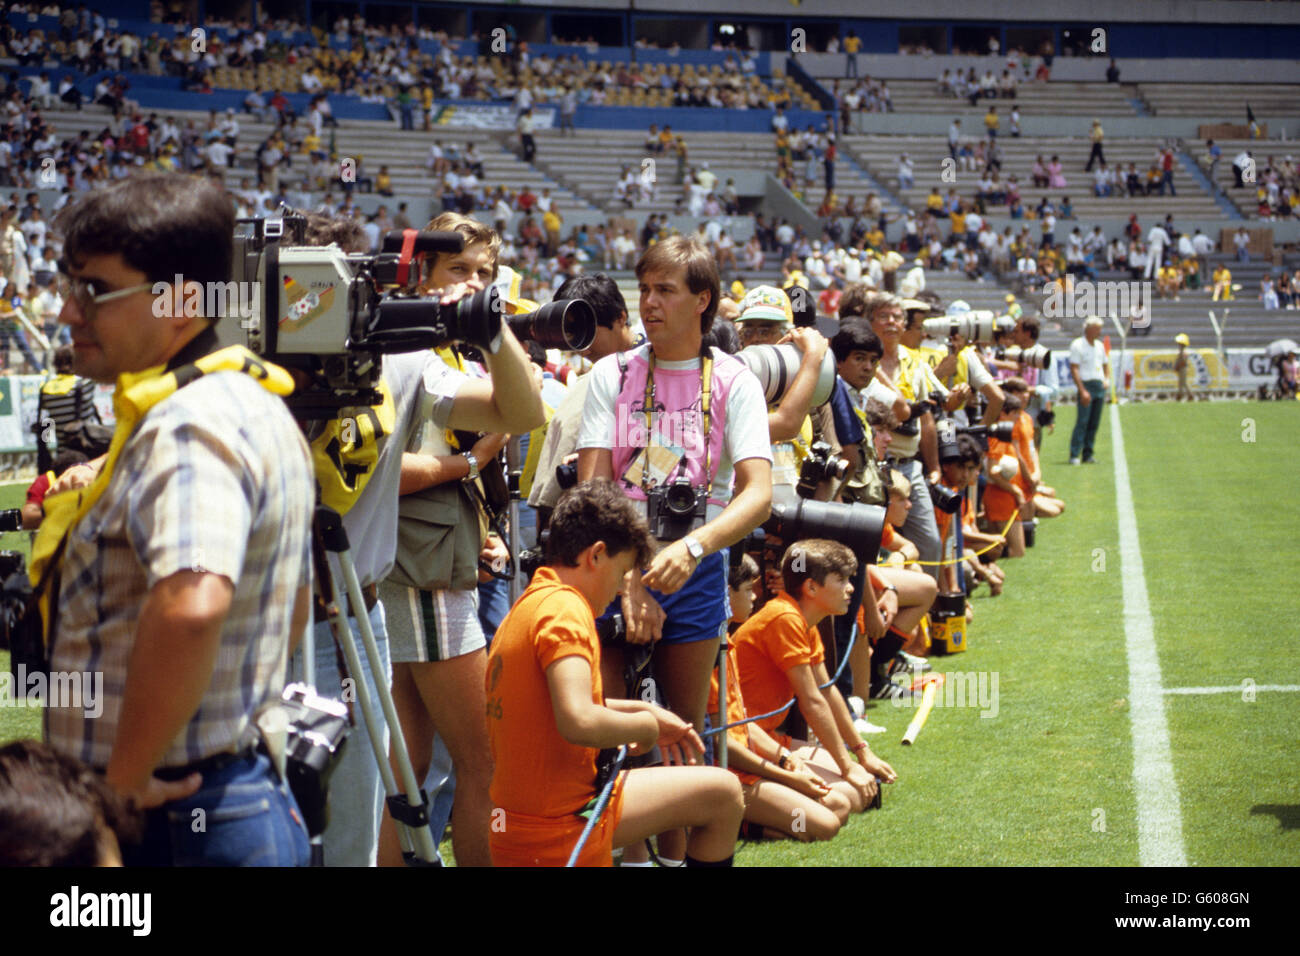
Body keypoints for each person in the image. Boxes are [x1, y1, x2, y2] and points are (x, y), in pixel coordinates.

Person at [37, 173, 315, 866]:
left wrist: (121, 786)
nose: (70, 312)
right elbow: (300, 603)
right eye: (70, 285)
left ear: (184, 300)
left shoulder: (191, 423)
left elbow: (192, 605)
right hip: (220, 795)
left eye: (96, 290)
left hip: (174, 819)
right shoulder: (243, 399)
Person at [289, 211, 543, 867]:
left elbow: (519, 413)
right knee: (274, 804)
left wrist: (489, 329)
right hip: (281, 607)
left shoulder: (401, 356)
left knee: (362, 805)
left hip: (361, 604)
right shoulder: (250, 358)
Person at [486, 479, 744, 866]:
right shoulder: (567, 611)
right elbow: (578, 720)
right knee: (724, 794)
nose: (620, 590)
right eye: (624, 571)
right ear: (597, 555)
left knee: (719, 792)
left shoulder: (532, 601)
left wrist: (643, 712)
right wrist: (647, 730)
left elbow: (548, 706)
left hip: (516, 826)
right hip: (560, 831)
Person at [576, 236, 773, 741]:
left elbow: (758, 495)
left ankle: (684, 820)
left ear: (702, 299)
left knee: (687, 733)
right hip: (611, 562)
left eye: (665, 290)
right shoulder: (612, 373)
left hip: (696, 565)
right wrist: (628, 579)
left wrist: (692, 547)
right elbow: (593, 492)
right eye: (644, 289)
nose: (649, 303)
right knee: (620, 733)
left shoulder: (735, 380)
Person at [373, 212, 516, 869]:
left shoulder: (440, 352)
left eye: (484, 273)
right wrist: (469, 464)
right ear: (421, 276)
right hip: (421, 575)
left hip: (424, 566)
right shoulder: (402, 351)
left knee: (407, 758)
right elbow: (377, 471)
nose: (474, 285)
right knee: (485, 753)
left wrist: (480, 528)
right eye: (459, 270)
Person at [732, 539, 896, 811]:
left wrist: (862, 754)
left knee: (867, 786)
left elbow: (827, 691)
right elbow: (812, 701)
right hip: (745, 742)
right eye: (842, 580)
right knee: (849, 797)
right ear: (810, 587)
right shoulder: (784, 618)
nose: (851, 589)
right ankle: (747, 816)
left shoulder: (802, 620)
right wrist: (847, 766)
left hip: (767, 738)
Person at [1068, 316, 1110, 465]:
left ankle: (1088, 453)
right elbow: (1074, 368)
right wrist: (1082, 390)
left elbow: (1105, 364)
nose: (1099, 331)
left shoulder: (1099, 345)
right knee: (1083, 421)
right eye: (1097, 328)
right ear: (1089, 329)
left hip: (1098, 385)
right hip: (1086, 385)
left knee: (1094, 422)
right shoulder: (1078, 345)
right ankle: (1074, 453)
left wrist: (1106, 379)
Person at [1173, 332, 1192, 401]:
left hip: (1183, 368)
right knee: (1181, 383)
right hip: (1181, 368)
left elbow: (1183, 361)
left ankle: (1189, 395)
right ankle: (1181, 395)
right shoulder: (1181, 352)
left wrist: (1180, 356)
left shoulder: (1184, 352)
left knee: (1183, 382)